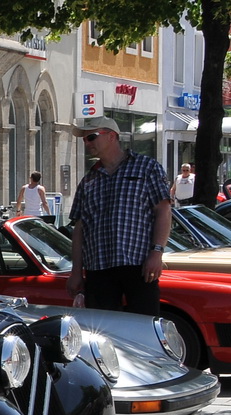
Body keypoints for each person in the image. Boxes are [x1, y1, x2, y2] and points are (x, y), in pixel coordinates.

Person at [65, 116, 171, 315]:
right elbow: (79, 229)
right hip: (99, 268)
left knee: (143, 327)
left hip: (139, 265)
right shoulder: (89, 179)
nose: (87, 143)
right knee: (102, 331)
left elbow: (163, 211)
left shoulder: (146, 167)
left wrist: (157, 252)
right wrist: (76, 271)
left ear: (112, 136)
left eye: (92, 137)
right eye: (85, 139)